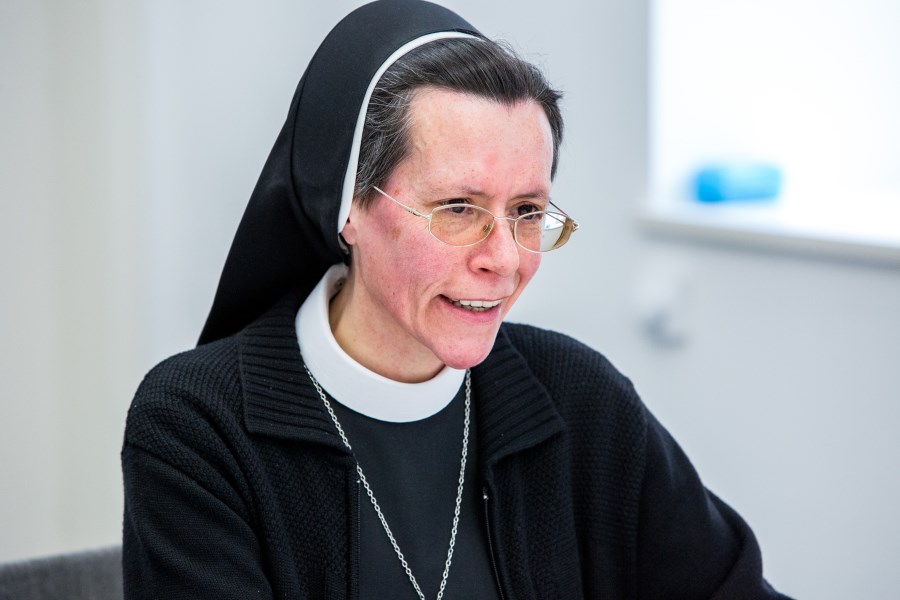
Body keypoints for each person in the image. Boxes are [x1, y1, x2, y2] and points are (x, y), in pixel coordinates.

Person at [121, 1, 792, 598]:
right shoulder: (196, 428)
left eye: (527, 211)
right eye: (458, 208)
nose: (504, 259)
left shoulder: (581, 399)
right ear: (347, 205)